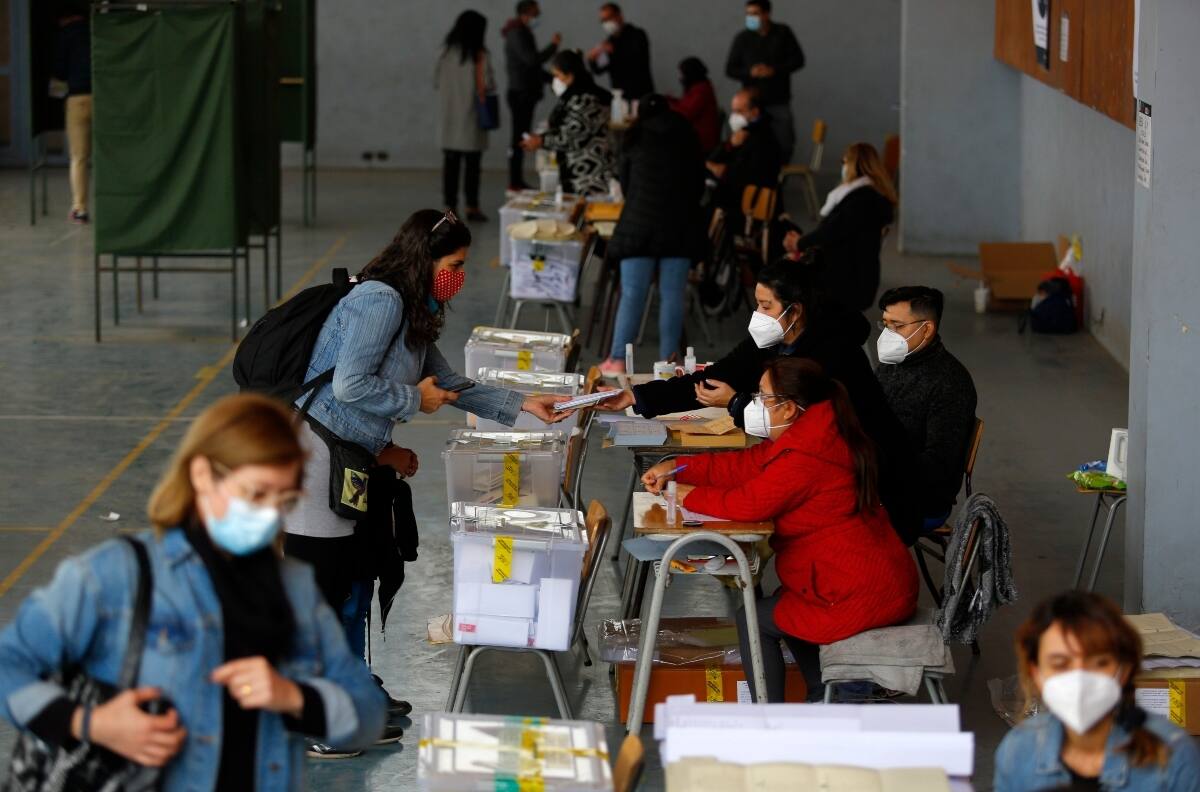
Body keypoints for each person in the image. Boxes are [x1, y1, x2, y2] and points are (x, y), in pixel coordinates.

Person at [286, 208, 570, 757]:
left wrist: (523, 405)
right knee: (317, 592)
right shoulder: (380, 301)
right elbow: (349, 387)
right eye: (455, 264)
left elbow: (452, 384)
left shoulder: (413, 308)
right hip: (316, 457)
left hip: (353, 460)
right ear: (426, 258)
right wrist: (418, 400)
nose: (459, 276)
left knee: (347, 586)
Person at [0, 394, 387, 789]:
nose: (270, 516)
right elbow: (9, 663)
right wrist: (90, 723)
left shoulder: (292, 590)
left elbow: (368, 713)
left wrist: (294, 697)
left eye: (283, 500)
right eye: (255, 494)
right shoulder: (113, 576)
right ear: (203, 475)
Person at [641, 358, 918, 702]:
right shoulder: (814, 432)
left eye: (764, 396)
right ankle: (822, 693)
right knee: (782, 607)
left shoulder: (808, 455)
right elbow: (747, 465)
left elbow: (749, 503)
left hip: (859, 593)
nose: (757, 403)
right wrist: (680, 468)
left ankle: (767, 717)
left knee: (756, 619)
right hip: (866, 580)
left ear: (788, 408)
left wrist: (688, 495)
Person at [595, 263, 920, 544]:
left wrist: (735, 403)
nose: (759, 316)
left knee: (756, 508)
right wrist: (637, 397)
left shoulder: (832, 355)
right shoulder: (777, 337)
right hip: (825, 472)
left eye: (766, 306)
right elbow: (721, 374)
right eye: (757, 305)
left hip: (872, 482)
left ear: (795, 310)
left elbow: (797, 426)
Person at [994, 591, 1200, 791]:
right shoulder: (1018, 751)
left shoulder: (1173, 757)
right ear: (1036, 673)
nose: (1080, 679)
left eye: (1099, 663)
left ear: (1124, 669)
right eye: (1060, 664)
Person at [600, 95, 707, 373]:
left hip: (639, 226)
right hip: (679, 226)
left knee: (632, 293)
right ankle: (669, 364)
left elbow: (624, 183)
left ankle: (617, 360)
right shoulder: (687, 136)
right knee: (672, 295)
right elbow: (699, 185)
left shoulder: (635, 136)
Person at [875, 286, 977, 530]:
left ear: (927, 329)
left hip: (917, 497)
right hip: (880, 479)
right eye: (886, 324)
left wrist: (873, 469)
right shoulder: (892, 365)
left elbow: (938, 467)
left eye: (897, 326)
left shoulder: (950, 383)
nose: (889, 334)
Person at [784, 142, 897, 311]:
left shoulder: (861, 201)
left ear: (854, 165)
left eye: (844, 162)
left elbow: (829, 232)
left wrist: (799, 243)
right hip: (856, 274)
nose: (843, 167)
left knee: (785, 278)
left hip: (846, 280)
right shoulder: (869, 196)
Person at [521, 50, 613, 196]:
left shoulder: (585, 100)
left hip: (590, 177)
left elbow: (573, 137)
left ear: (570, 75)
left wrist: (541, 140)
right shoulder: (574, 96)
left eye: (557, 75)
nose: (554, 80)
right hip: (578, 174)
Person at [725, 0, 805, 162]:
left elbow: (798, 60)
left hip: (778, 100)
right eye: (748, 14)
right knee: (748, 144)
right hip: (752, 105)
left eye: (755, 13)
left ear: (766, 14)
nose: (751, 17)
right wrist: (750, 72)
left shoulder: (782, 33)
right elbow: (730, 69)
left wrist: (773, 70)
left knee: (784, 143)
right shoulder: (743, 38)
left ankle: (778, 182)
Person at [435, 11, 494, 221]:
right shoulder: (479, 55)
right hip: (472, 120)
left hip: (449, 118)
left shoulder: (444, 52)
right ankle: (472, 207)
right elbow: (488, 85)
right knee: (472, 167)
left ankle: (449, 211)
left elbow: (436, 82)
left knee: (450, 167)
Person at [502, 1, 561, 191]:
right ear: (526, 13)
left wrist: (553, 79)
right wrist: (553, 47)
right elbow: (531, 61)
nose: (538, 17)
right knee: (519, 138)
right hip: (521, 94)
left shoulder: (521, 32)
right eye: (536, 13)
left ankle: (516, 180)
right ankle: (514, 181)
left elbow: (532, 67)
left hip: (525, 92)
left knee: (520, 136)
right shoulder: (517, 33)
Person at [706, 89, 783, 221]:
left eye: (739, 111)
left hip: (745, 206)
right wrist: (729, 144)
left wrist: (723, 171)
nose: (734, 116)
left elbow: (751, 175)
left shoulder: (763, 138)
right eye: (733, 111)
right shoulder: (743, 134)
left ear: (755, 112)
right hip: (734, 200)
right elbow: (712, 158)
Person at [54, 2, 92, 224]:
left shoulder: (64, 35)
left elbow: (59, 72)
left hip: (76, 100)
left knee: (78, 157)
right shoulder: (95, 31)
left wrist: (57, 100)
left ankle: (80, 209)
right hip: (103, 98)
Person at [586, 3, 654, 102]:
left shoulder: (637, 35)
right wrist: (592, 59)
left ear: (619, 16)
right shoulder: (608, 42)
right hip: (621, 98)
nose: (607, 23)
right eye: (603, 21)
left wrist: (613, 50)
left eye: (609, 18)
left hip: (641, 94)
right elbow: (598, 70)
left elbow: (636, 59)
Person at [668, 57, 722, 154]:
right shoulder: (699, 87)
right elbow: (685, 105)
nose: (680, 77)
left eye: (682, 74)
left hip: (702, 142)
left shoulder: (701, 90)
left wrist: (669, 104)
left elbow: (686, 114)